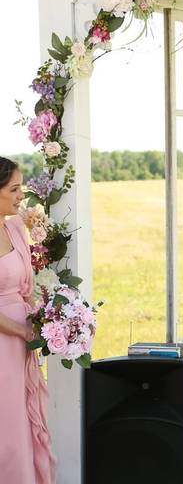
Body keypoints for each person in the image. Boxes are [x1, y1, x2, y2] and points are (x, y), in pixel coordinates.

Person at [0, 156, 56, 484]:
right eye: (14, 189)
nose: (21, 196)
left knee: (23, 418)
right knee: (6, 422)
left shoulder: (14, 226)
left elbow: (27, 286)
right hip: (5, 340)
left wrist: (40, 320)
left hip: (22, 342)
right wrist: (21, 330)